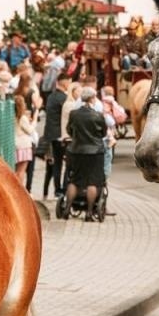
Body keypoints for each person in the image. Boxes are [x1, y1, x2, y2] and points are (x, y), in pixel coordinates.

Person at [62, 85, 108, 219]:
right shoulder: (98, 116)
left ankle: (67, 208)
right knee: (92, 182)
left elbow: (69, 130)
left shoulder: (74, 114)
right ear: (92, 98)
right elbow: (103, 132)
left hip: (76, 151)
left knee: (75, 180)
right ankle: (89, 212)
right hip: (94, 153)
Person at [41, 72, 72, 199]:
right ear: (63, 82)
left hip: (51, 135)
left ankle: (55, 190)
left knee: (56, 164)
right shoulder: (63, 98)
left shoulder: (51, 96)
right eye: (68, 82)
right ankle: (60, 190)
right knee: (62, 163)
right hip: (60, 135)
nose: (69, 84)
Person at [12, 91, 37, 187]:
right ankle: (19, 188)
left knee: (15, 170)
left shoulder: (12, 116)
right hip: (24, 145)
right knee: (21, 171)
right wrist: (34, 121)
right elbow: (30, 130)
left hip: (16, 144)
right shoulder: (22, 118)